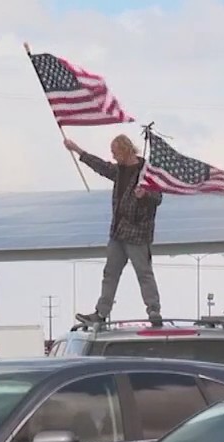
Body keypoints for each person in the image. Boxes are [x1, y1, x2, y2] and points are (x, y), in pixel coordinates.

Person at [64, 134, 165, 328]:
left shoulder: (147, 172)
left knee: (144, 273)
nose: (113, 156)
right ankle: (101, 313)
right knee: (110, 273)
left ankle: (153, 310)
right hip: (118, 233)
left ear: (126, 150)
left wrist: (145, 194)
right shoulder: (119, 171)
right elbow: (101, 166)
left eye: (115, 152)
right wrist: (77, 150)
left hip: (137, 234)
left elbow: (158, 198)